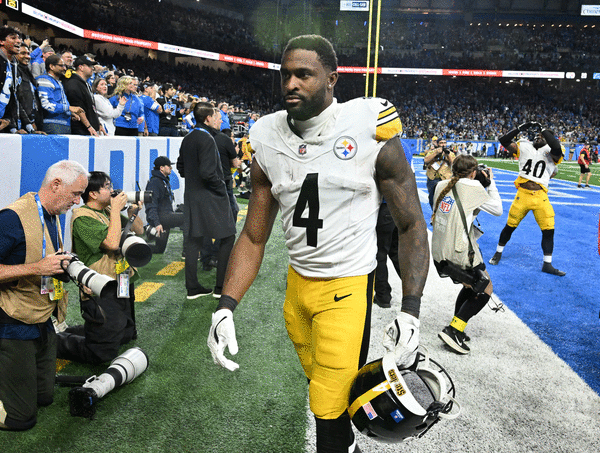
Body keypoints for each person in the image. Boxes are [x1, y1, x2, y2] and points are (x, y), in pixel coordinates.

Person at [206, 35, 429, 453]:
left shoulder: (368, 124)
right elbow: (254, 235)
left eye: (303, 74)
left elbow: (412, 224)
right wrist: (226, 304)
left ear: (331, 78)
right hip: (297, 290)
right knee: (329, 396)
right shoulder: (266, 135)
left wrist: (411, 309)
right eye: (285, 75)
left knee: (326, 407)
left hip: (346, 289)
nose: (291, 84)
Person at [0, 160, 88, 431]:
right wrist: (37, 268)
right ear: (56, 185)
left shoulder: (51, 214)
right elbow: (38, 265)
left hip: (43, 317)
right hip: (13, 321)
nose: (78, 200)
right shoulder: (12, 218)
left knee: (45, 398)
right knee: (20, 419)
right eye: (75, 193)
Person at [57, 171, 143, 364]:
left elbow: (139, 230)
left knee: (127, 334)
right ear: (93, 194)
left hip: (121, 278)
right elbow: (112, 244)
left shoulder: (108, 212)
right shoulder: (82, 217)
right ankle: (56, 341)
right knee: (101, 353)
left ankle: (83, 330)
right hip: (100, 286)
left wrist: (132, 212)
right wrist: (116, 210)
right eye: (107, 187)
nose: (112, 191)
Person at [431, 155, 502, 354]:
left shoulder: (441, 185)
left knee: (470, 285)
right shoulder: (473, 187)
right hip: (459, 250)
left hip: (440, 248)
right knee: (485, 287)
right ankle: (453, 330)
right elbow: (497, 209)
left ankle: (457, 326)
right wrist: (490, 183)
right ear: (473, 173)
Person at [489, 122, 566, 276]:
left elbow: (556, 148)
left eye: (542, 136)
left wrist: (544, 130)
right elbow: (504, 140)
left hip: (541, 196)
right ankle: (498, 252)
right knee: (510, 226)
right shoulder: (524, 146)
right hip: (522, 194)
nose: (538, 137)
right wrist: (519, 128)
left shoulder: (554, 150)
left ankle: (547, 264)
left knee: (549, 230)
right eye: (537, 135)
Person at [177, 102, 237, 299]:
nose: (220, 121)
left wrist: (194, 180)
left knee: (194, 240)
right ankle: (220, 288)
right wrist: (220, 188)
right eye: (217, 117)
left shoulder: (188, 138)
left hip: (191, 195)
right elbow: (208, 173)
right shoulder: (208, 139)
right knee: (228, 236)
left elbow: (181, 167)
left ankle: (192, 288)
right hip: (211, 196)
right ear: (208, 118)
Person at [36, 54, 84, 135]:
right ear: (51, 66)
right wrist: (69, 108)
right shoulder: (44, 80)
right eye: (61, 66)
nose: (64, 68)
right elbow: (47, 105)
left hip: (64, 124)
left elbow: (60, 102)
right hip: (52, 125)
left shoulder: (58, 81)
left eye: (64, 66)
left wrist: (69, 113)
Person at [145, 156, 184, 254]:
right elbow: (151, 205)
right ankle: (188, 251)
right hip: (162, 217)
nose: (171, 168)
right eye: (169, 166)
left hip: (165, 216)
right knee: (188, 218)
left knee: (159, 249)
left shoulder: (163, 181)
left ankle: (135, 246)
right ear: (161, 168)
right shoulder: (155, 182)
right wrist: (157, 223)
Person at [0, 26, 33, 134]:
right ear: (1, 41)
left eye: (19, 38)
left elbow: (12, 98)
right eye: (13, 38)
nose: (19, 41)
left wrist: (13, 128)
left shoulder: (13, 65)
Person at [373, 200, 401, 308]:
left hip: (383, 207)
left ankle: (382, 295)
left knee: (379, 253)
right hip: (398, 207)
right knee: (396, 252)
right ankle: (413, 291)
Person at [63, 55, 100, 136]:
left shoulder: (84, 84)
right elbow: (78, 108)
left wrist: (98, 124)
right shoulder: (73, 83)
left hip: (88, 130)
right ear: (81, 67)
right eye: (90, 66)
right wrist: (88, 126)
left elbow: (90, 107)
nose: (92, 69)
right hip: (80, 130)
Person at [15, 44, 44, 132]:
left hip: (33, 121)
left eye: (28, 53)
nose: (28, 56)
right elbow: (17, 100)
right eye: (23, 53)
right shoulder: (14, 72)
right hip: (20, 123)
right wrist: (28, 122)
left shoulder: (27, 73)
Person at [424, 137, 455, 208]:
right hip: (433, 178)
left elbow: (453, 164)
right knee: (432, 197)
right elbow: (426, 160)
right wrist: (436, 152)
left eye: (444, 143)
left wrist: (448, 155)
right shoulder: (432, 152)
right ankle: (434, 211)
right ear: (437, 144)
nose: (443, 144)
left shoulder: (451, 153)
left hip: (445, 178)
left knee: (446, 197)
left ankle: (442, 212)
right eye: (441, 143)